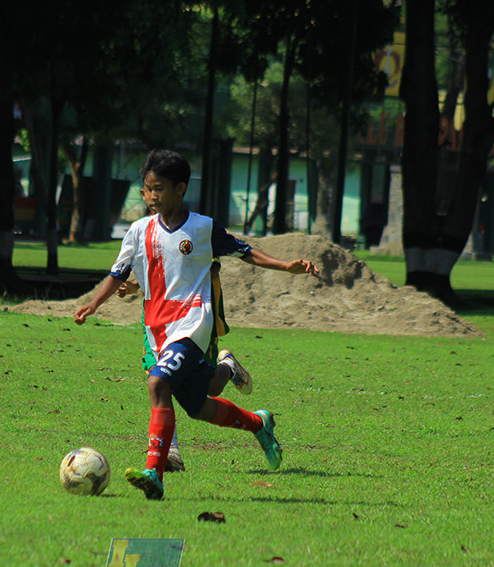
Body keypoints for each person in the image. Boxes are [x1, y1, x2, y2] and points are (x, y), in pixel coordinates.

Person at [75, 149, 320, 500]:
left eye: (158, 188)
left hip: (193, 323)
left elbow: (245, 250)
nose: (151, 196)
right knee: (200, 404)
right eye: (146, 189)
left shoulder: (202, 228)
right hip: (156, 328)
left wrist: (285, 266)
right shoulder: (138, 231)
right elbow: (118, 274)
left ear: (180, 188)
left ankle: (154, 471)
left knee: (158, 382)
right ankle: (258, 422)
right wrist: (94, 304)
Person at [119, 259, 250, 473]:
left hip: (192, 317)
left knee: (212, 387)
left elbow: (212, 266)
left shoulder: (197, 227)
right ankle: (171, 452)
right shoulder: (151, 229)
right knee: (160, 378)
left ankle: (228, 366)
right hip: (155, 317)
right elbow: (156, 267)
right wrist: (138, 284)